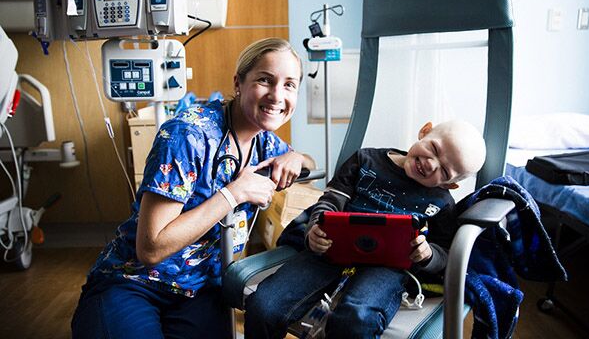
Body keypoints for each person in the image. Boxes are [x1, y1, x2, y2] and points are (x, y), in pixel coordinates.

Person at [71, 38, 310, 339]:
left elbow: (306, 162)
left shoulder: (266, 144)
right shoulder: (188, 135)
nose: (277, 95)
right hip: (135, 281)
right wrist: (233, 193)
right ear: (238, 82)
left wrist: (296, 156)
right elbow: (151, 248)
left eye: (289, 85)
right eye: (265, 80)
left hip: (198, 291)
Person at [244, 120, 487, 339]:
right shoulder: (365, 160)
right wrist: (315, 229)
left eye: (444, 171)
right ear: (424, 131)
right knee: (265, 305)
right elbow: (330, 201)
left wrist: (428, 254)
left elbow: (445, 253)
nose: (431, 164)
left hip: (387, 267)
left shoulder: (442, 202)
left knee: (357, 320)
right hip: (332, 249)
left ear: (450, 183)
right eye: (433, 149)